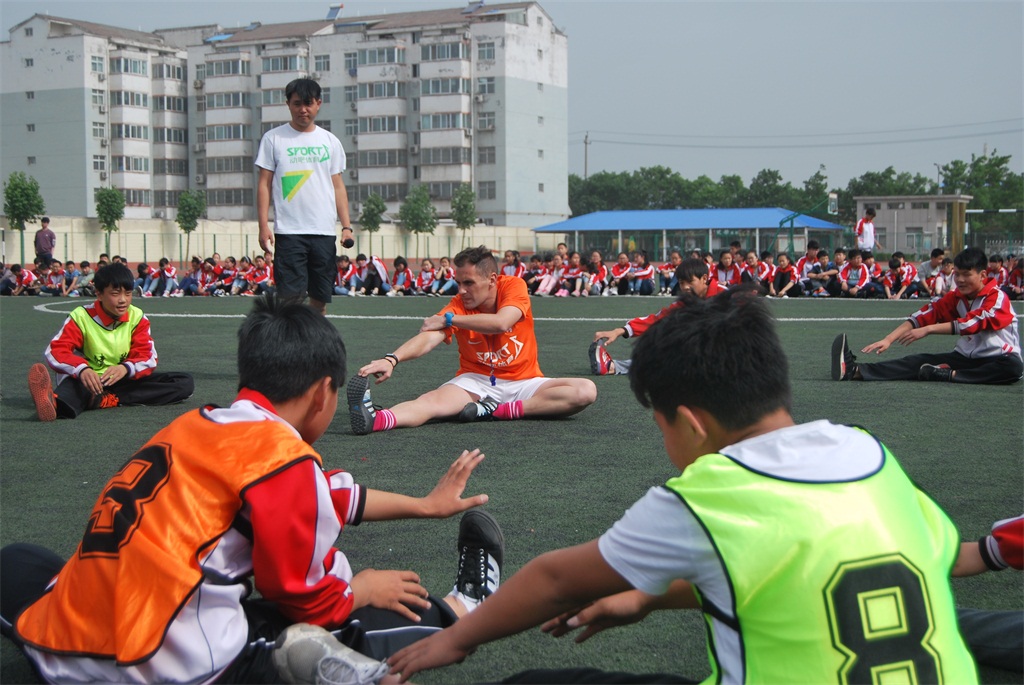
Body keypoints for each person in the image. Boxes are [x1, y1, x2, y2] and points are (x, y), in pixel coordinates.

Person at [387, 290, 977, 684]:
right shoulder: (868, 452)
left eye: (660, 423)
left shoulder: (710, 494)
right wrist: (651, 597)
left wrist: (455, 641)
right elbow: (815, 569)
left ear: (691, 424)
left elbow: (555, 580)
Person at [2, 295, 505, 684]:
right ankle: (464, 607)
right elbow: (304, 596)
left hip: (60, 649)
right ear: (322, 394)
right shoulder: (284, 459)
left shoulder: (197, 425)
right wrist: (360, 590)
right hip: (160, 663)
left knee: (19, 560)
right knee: (347, 617)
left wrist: (425, 506)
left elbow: (322, 495)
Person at [347, 246, 597, 435]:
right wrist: (392, 359)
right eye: (458, 283)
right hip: (475, 382)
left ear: (492, 280)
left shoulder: (513, 286)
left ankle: (498, 411)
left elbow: (501, 322)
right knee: (430, 403)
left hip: (525, 382)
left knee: (585, 390)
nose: (461, 290)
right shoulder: (459, 305)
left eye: (469, 283)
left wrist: (449, 319)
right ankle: (377, 420)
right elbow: (429, 338)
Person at [27, 263, 195, 421]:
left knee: (183, 382)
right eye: (115, 294)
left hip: (121, 379)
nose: (123, 300)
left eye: (128, 293)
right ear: (99, 294)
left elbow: (148, 356)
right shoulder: (81, 317)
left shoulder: (137, 317)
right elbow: (56, 351)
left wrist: (125, 368)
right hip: (88, 380)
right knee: (75, 389)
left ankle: (105, 399)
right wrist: (82, 369)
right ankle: (56, 404)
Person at [832, 247, 1022, 385]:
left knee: (1014, 368)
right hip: (966, 358)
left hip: (999, 358)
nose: (960, 280)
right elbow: (924, 314)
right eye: (957, 274)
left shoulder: (997, 298)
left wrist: (928, 330)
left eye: (966, 274)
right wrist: (888, 339)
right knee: (917, 360)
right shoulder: (956, 297)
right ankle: (854, 370)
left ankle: (949, 375)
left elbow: (972, 324)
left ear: (983, 275)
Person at [256, 78, 353, 315]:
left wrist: (346, 227)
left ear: (318, 103)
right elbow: (264, 184)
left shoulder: (330, 141)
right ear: (288, 104)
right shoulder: (273, 139)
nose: (303, 110)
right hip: (289, 233)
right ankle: (292, 339)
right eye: (297, 103)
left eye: (308, 103)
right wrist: (263, 226)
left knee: (320, 300)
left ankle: (315, 338)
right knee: (291, 300)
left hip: (323, 232)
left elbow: (338, 187)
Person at [588, 258, 721, 376]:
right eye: (681, 282)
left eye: (690, 281)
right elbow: (654, 320)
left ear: (704, 278)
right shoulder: (684, 304)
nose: (685, 287)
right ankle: (612, 367)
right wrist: (618, 331)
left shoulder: (726, 296)